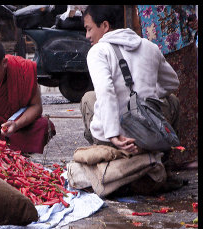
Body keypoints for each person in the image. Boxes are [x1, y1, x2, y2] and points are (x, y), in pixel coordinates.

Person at [80, 5, 180, 155]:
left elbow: (106, 91)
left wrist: (113, 134)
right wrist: (147, 96)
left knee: (88, 98)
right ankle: (166, 157)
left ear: (105, 25)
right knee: (172, 100)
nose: (87, 35)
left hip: (115, 140)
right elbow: (172, 83)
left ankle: (106, 150)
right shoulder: (150, 47)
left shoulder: (98, 51)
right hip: (149, 134)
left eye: (89, 28)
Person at [136, 5, 198, 169]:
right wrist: (192, 18)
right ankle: (184, 155)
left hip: (152, 32)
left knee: (160, 93)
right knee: (184, 95)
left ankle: (167, 152)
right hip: (174, 34)